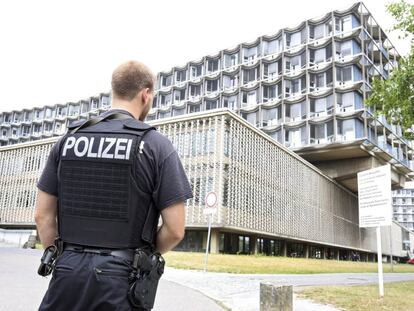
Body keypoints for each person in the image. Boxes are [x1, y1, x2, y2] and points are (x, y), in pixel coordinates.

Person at [35, 60, 193, 310]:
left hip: (66, 272)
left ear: (114, 90)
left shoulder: (69, 140)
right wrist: (144, 256)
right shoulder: (156, 145)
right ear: (146, 94)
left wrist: (66, 256)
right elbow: (175, 229)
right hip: (122, 280)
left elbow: (43, 216)